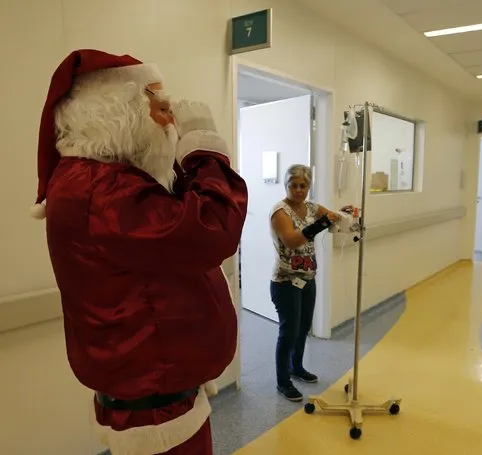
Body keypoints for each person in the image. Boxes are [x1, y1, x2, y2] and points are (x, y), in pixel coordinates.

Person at [31, 49, 248, 455]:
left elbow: (174, 227)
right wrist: (205, 149)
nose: (171, 119)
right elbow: (213, 228)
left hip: (160, 396)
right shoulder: (102, 191)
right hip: (157, 412)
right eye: (161, 105)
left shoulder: (99, 181)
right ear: (119, 110)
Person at [270, 164, 353, 402]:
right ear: (286, 186)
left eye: (303, 185)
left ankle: (296, 368)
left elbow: (331, 216)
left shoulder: (311, 207)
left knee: (303, 327)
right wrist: (321, 223)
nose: (298, 190)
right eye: (293, 185)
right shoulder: (280, 212)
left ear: (309, 186)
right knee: (288, 332)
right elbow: (293, 240)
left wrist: (341, 213)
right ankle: (283, 381)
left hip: (308, 279)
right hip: (285, 282)